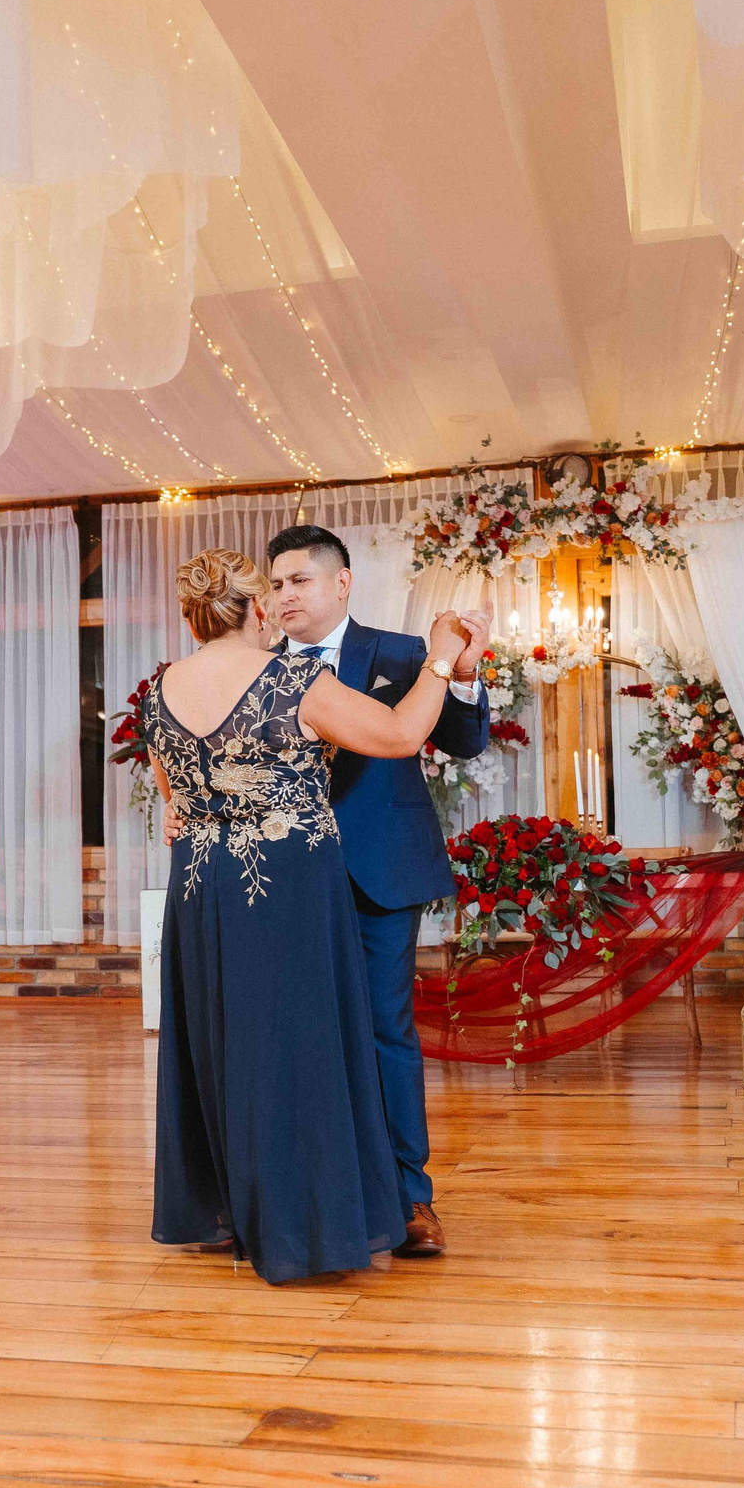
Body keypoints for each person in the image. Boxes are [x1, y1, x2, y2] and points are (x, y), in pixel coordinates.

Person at [145, 548, 476, 1283]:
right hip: (286, 887)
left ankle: (237, 1207)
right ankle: (304, 1219)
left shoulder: (159, 690)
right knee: (300, 1048)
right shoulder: (290, 678)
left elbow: (174, 796)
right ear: (259, 609)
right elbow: (398, 736)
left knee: (225, 1043)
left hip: (202, 888)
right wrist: (444, 659)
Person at [261, 524, 489, 1259]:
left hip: (380, 872)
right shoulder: (254, 669)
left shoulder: (400, 653)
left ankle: (409, 1196)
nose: (284, 595)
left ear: (342, 582)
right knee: (298, 1034)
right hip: (285, 875)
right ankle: (312, 1189)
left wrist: (464, 673)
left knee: (385, 1027)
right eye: (275, 583)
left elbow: (463, 739)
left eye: (299, 579)